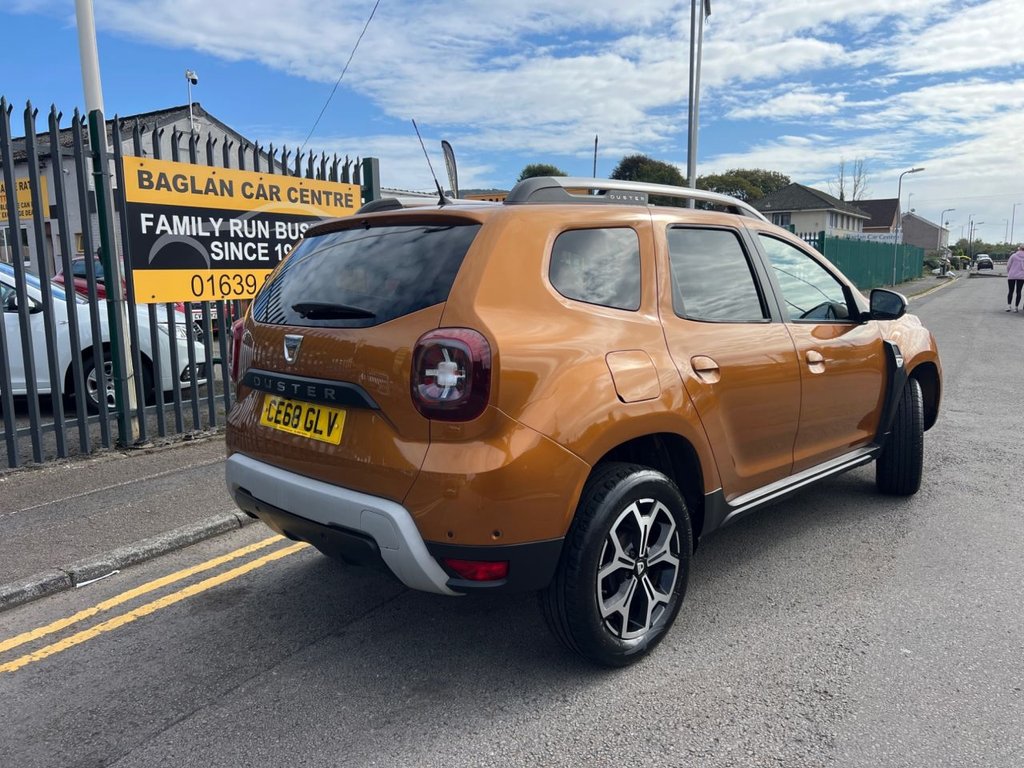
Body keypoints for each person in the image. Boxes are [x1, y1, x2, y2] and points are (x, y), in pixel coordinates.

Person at [1007, 244, 1024, 312]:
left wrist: (1009, 272)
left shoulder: (1013, 256)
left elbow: (1008, 265)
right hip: (1021, 276)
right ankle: (1016, 307)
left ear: (1019, 249)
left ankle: (1009, 306)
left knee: (1011, 291)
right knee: (1018, 291)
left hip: (1012, 275)